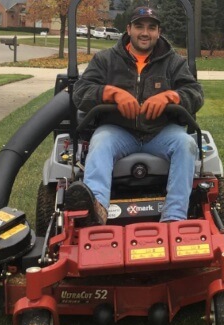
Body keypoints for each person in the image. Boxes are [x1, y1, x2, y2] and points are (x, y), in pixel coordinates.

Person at [66, 6, 204, 225]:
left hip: (160, 132)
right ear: (128, 29)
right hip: (119, 130)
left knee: (186, 144)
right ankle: (95, 210)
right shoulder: (105, 60)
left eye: (151, 27)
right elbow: (81, 92)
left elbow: (195, 94)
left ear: (159, 32)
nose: (145, 33)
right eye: (139, 26)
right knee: (100, 141)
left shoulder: (174, 62)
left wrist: (171, 97)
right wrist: (111, 93)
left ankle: (174, 218)